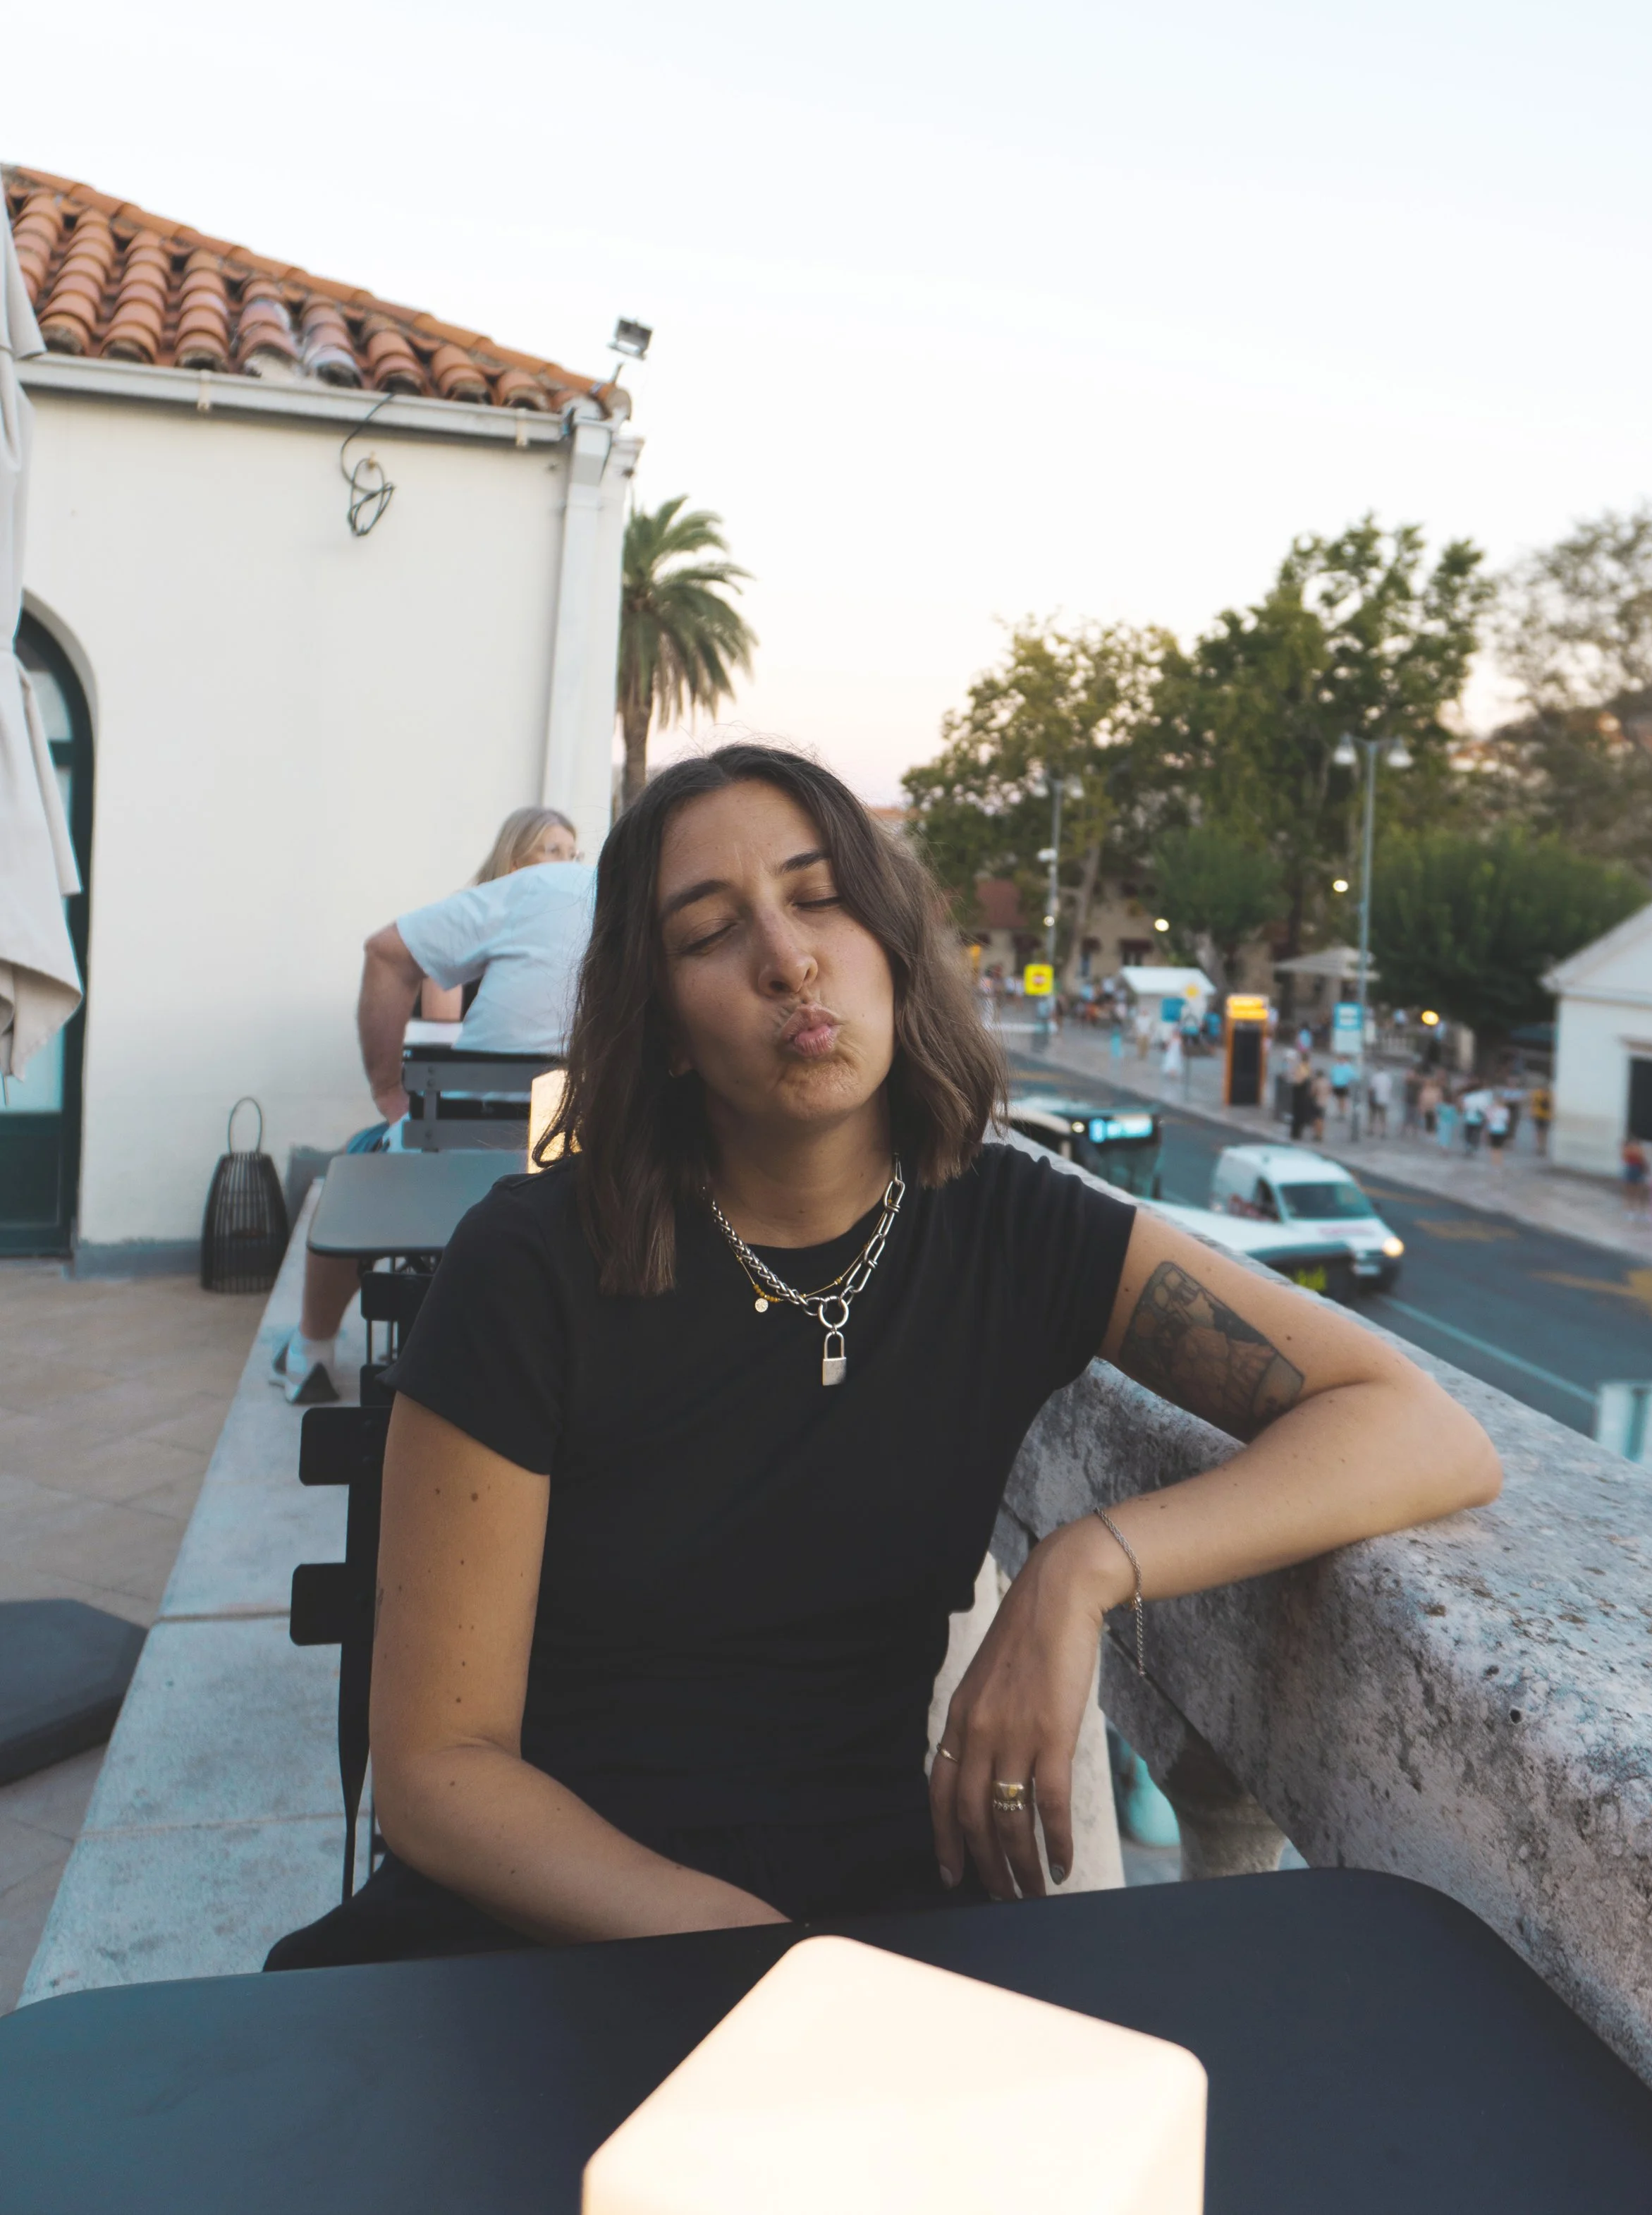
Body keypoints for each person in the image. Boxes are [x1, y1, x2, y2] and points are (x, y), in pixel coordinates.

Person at [265, 744, 1498, 1967]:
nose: (788, 958)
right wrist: (769, 1965)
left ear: (894, 946)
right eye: (710, 932)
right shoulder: (528, 1268)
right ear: (666, 1026)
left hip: (872, 1915)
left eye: (820, 898)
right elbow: (438, 1773)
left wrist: (1082, 1569)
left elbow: (1418, 1427)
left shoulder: (1012, 1228)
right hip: (543, 1941)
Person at [279, 805, 592, 1403]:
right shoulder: (601, 904)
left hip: (466, 1148)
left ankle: (310, 1348)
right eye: (552, 851)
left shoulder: (478, 914)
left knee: (361, 1158)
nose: (566, 865)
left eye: (571, 853)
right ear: (516, 859)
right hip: (572, 1151)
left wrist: (386, 1090)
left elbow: (414, 990)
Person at [1621, 1135, 1649, 1218]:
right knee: (1630, 1191)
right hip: (1632, 1169)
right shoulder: (1628, 1149)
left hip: (1638, 1169)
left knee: (1639, 1191)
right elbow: (1625, 1158)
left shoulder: (1640, 1150)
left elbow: (1643, 1160)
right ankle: (1630, 1209)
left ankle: (1640, 1210)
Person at [1529, 1079, 1553, 1158]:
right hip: (1538, 1114)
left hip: (1547, 1116)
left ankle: (1544, 1147)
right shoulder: (1537, 1094)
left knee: (1545, 1132)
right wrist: (1532, 1112)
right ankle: (1539, 1146)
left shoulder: (1550, 1095)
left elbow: (1552, 1105)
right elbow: (1533, 1103)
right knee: (1539, 1131)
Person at [1368, 1065, 1393, 1137]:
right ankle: (1383, 1131)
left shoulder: (1375, 1077)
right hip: (1385, 1100)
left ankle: (1371, 1130)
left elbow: (1371, 1088)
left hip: (1375, 1099)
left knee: (1373, 1115)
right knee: (1383, 1116)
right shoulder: (1388, 1078)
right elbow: (1390, 1088)